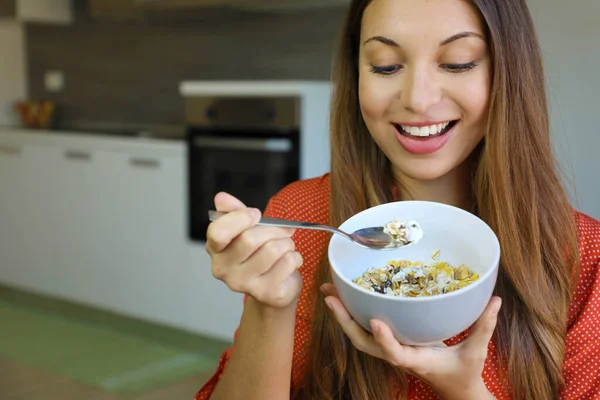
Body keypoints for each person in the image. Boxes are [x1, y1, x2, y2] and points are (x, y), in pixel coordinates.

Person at [195, 0, 600, 399]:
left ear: (508, 72)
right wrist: (269, 309)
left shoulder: (584, 253)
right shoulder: (298, 216)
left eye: (458, 62)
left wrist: (465, 391)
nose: (418, 100)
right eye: (386, 65)